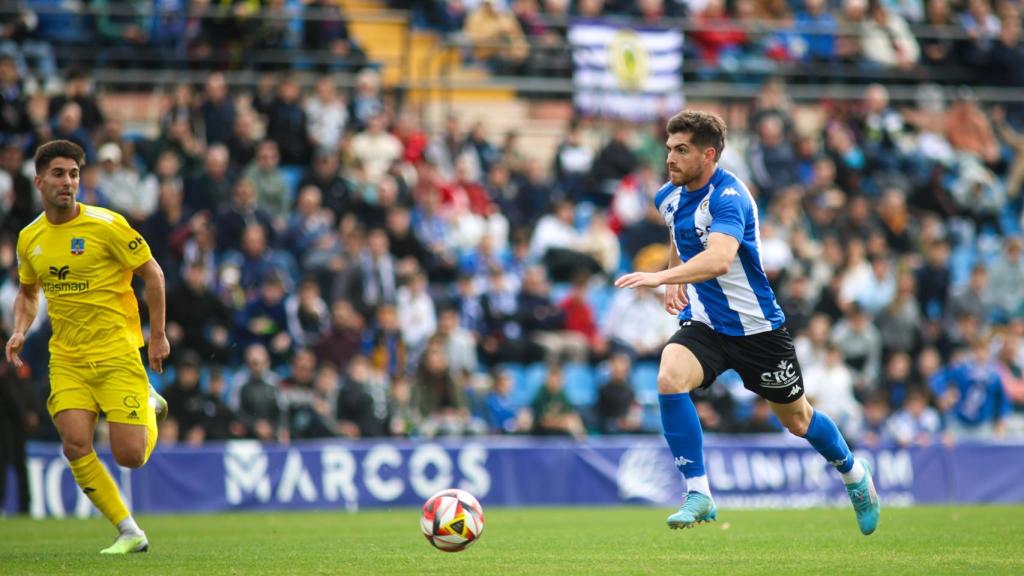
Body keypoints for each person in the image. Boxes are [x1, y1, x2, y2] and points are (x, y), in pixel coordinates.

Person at [615, 111, 879, 534]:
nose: (670, 158)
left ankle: (854, 475)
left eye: (681, 150)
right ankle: (699, 492)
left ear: (709, 154)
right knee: (668, 377)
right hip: (705, 323)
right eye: (668, 149)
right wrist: (673, 275)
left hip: (757, 330)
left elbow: (719, 259)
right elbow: (678, 232)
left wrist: (660, 277)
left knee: (797, 421)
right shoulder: (667, 195)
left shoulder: (730, 197)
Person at [5, 140, 170, 554]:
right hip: (67, 357)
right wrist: (20, 328)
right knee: (75, 443)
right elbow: (28, 293)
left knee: (130, 456)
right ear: (40, 181)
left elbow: (153, 274)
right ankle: (129, 530)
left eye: (74, 174)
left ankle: (148, 405)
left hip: (116, 352)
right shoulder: (30, 239)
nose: (68, 182)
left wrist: (159, 335)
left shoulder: (107, 225)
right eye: (59, 174)